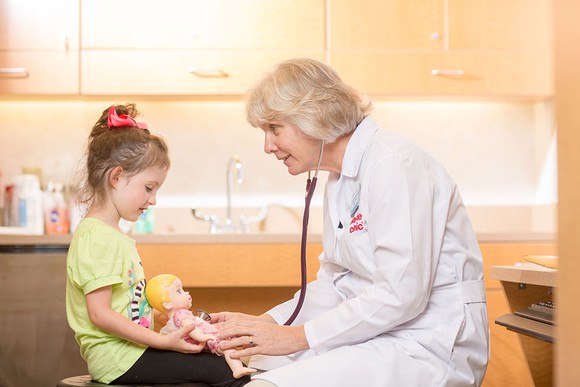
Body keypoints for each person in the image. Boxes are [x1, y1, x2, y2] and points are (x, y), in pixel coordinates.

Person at [213, 58, 490, 387]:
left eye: (274, 128)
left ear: (313, 115)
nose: (267, 146)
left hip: (427, 342)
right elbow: (335, 285)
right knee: (245, 362)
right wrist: (264, 323)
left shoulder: (394, 164)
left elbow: (400, 295)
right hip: (376, 335)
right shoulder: (341, 177)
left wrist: (296, 338)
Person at [65, 104, 250, 386]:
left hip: (129, 353)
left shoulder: (110, 233)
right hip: (118, 360)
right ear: (116, 177)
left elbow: (124, 305)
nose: (153, 200)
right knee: (223, 372)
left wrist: (163, 321)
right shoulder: (98, 237)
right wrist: (162, 343)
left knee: (216, 360)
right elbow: (99, 313)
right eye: (149, 188)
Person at [146, 274, 257, 379]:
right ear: (167, 304)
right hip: (209, 339)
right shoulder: (181, 314)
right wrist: (203, 337)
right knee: (228, 348)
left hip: (209, 337)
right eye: (179, 291)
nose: (186, 292)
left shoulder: (180, 314)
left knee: (231, 343)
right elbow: (190, 328)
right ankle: (237, 369)